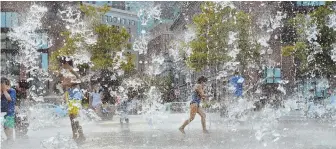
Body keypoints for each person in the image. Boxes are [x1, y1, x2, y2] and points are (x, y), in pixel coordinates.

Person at [58, 56, 86, 143]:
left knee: (74, 116)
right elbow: (64, 84)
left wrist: (69, 83)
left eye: (62, 63)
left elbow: (79, 80)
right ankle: (76, 134)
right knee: (71, 117)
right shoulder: (66, 72)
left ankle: (80, 134)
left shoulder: (72, 71)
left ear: (66, 63)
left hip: (75, 95)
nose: (61, 65)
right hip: (70, 95)